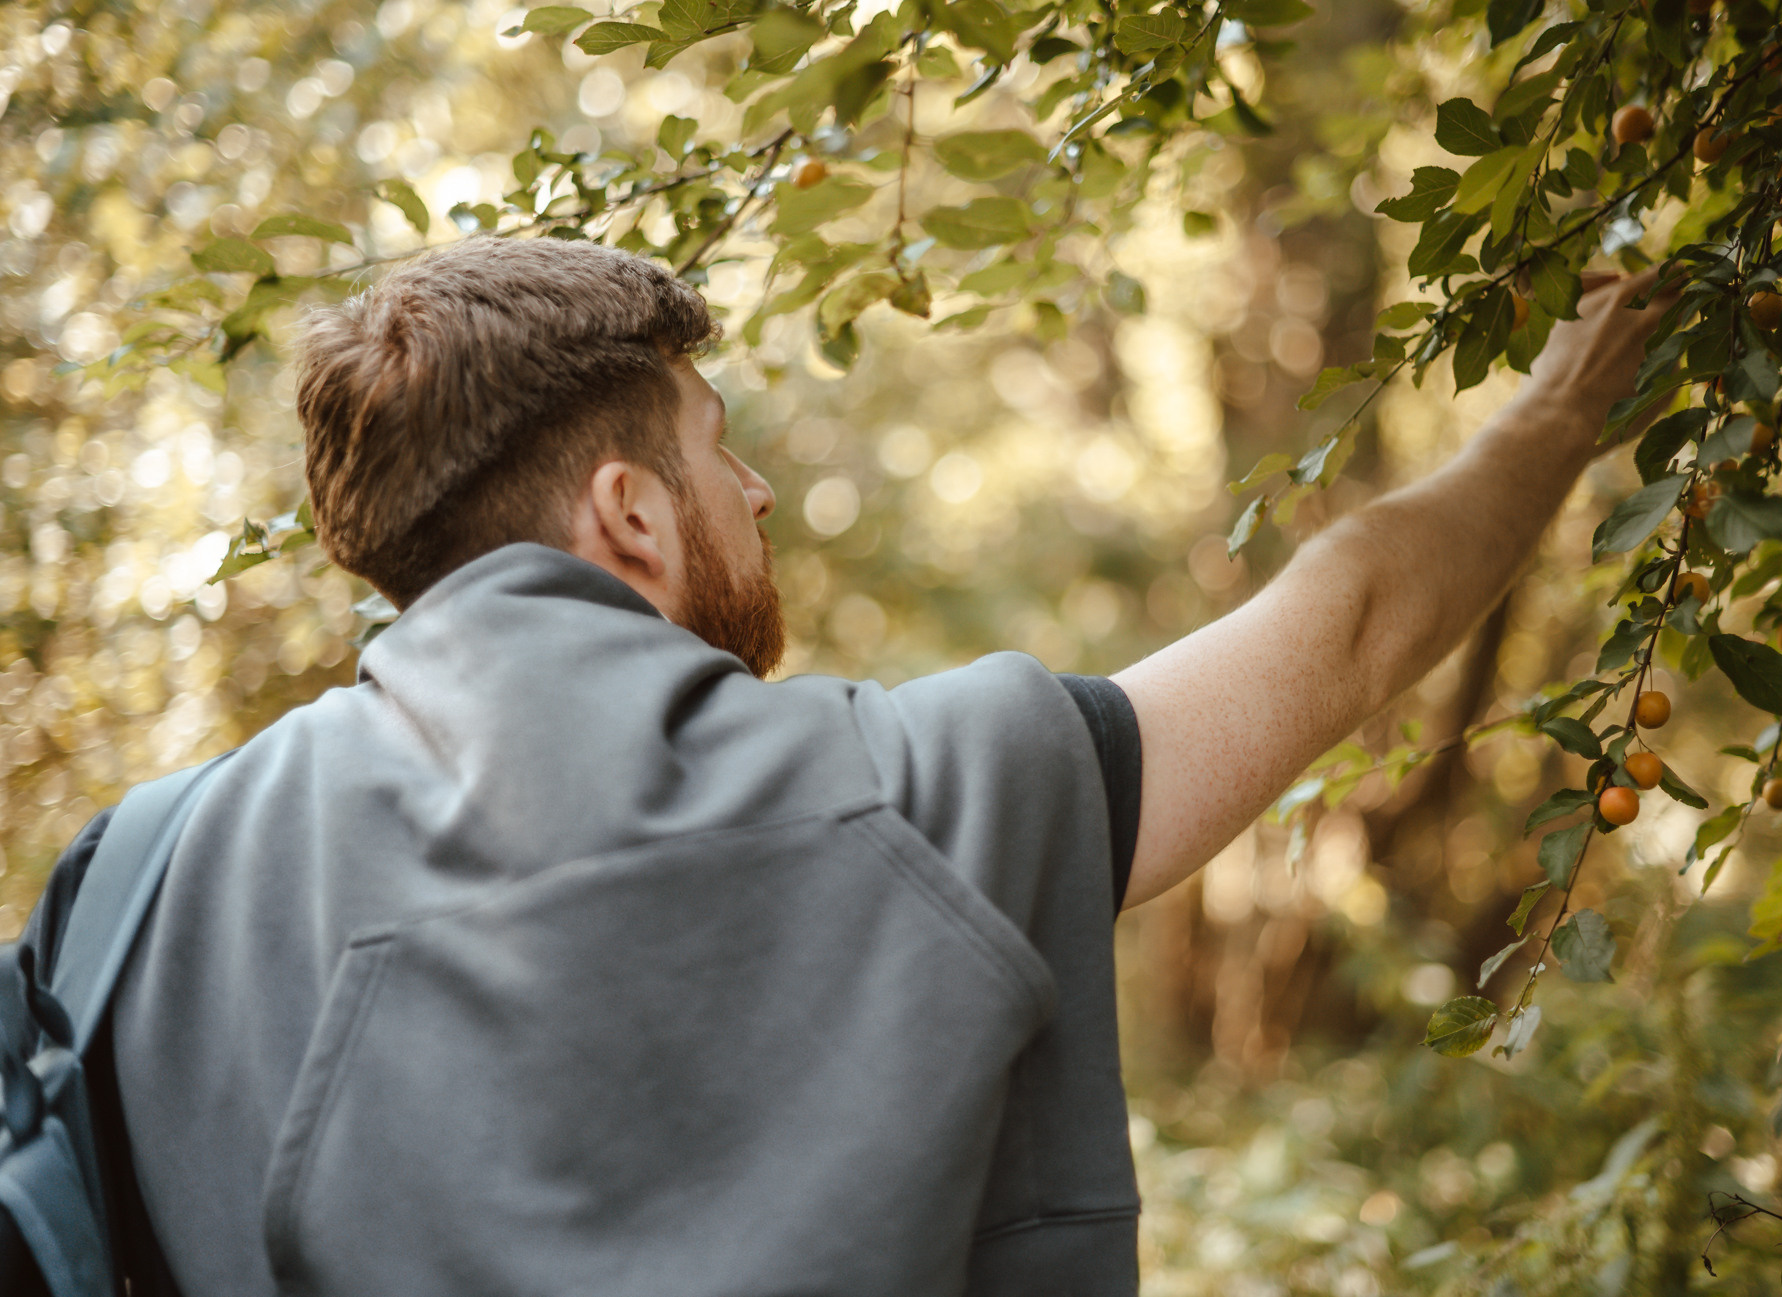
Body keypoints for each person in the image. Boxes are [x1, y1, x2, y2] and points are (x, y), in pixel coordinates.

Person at [19, 237, 1669, 1296]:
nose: (752, 494)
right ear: (633, 514)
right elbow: (1355, 627)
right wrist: (1562, 411)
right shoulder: (909, 788)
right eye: (721, 445)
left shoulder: (133, 879)